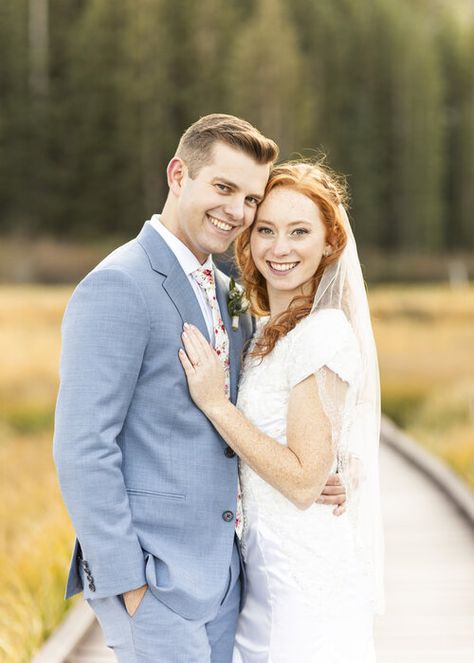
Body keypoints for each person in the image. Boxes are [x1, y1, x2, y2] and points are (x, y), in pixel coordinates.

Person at [53, 116, 347, 663]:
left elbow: (241, 419)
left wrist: (312, 472)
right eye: (224, 188)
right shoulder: (119, 285)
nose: (236, 211)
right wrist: (129, 585)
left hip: (226, 580)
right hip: (154, 581)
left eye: (251, 198)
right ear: (178, 174)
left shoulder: (231, 294)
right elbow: (82, 447)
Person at [179, 161, 384, 662]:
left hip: (303, 576)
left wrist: (214, 404)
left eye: (300, 232)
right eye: (266, 230)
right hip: (265, 569)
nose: (280, 247)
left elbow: (300, 482)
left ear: (329, 243)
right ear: (248, 239)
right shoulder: (269, 331)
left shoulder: (322, 334)